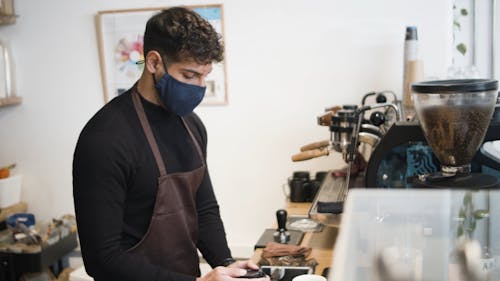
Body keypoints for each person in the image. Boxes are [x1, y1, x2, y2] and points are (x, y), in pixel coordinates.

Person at [73, 7, 269, 281]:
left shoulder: (192, 126)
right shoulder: (105, 139)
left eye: (205, 76)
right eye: (189, 76)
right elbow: (102, 259)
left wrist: (226, 264)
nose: (199, 87)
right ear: (153, 62)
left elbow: (204, 209)